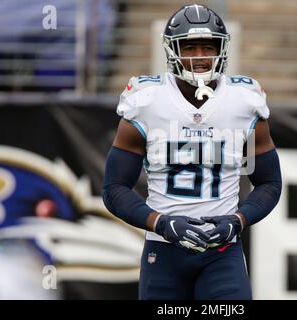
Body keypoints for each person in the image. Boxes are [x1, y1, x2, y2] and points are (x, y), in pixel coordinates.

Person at [102, 4, 282, 300]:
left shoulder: (243, 102)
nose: (199, 57)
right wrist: (160, 222)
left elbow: (270, 183)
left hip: (222, 252)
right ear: (172, 51)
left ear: (221, 49)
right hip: (163, 250)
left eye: (207, 47)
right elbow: (114, 188)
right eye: (189, 47)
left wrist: (237, 221)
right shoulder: (146, 102)